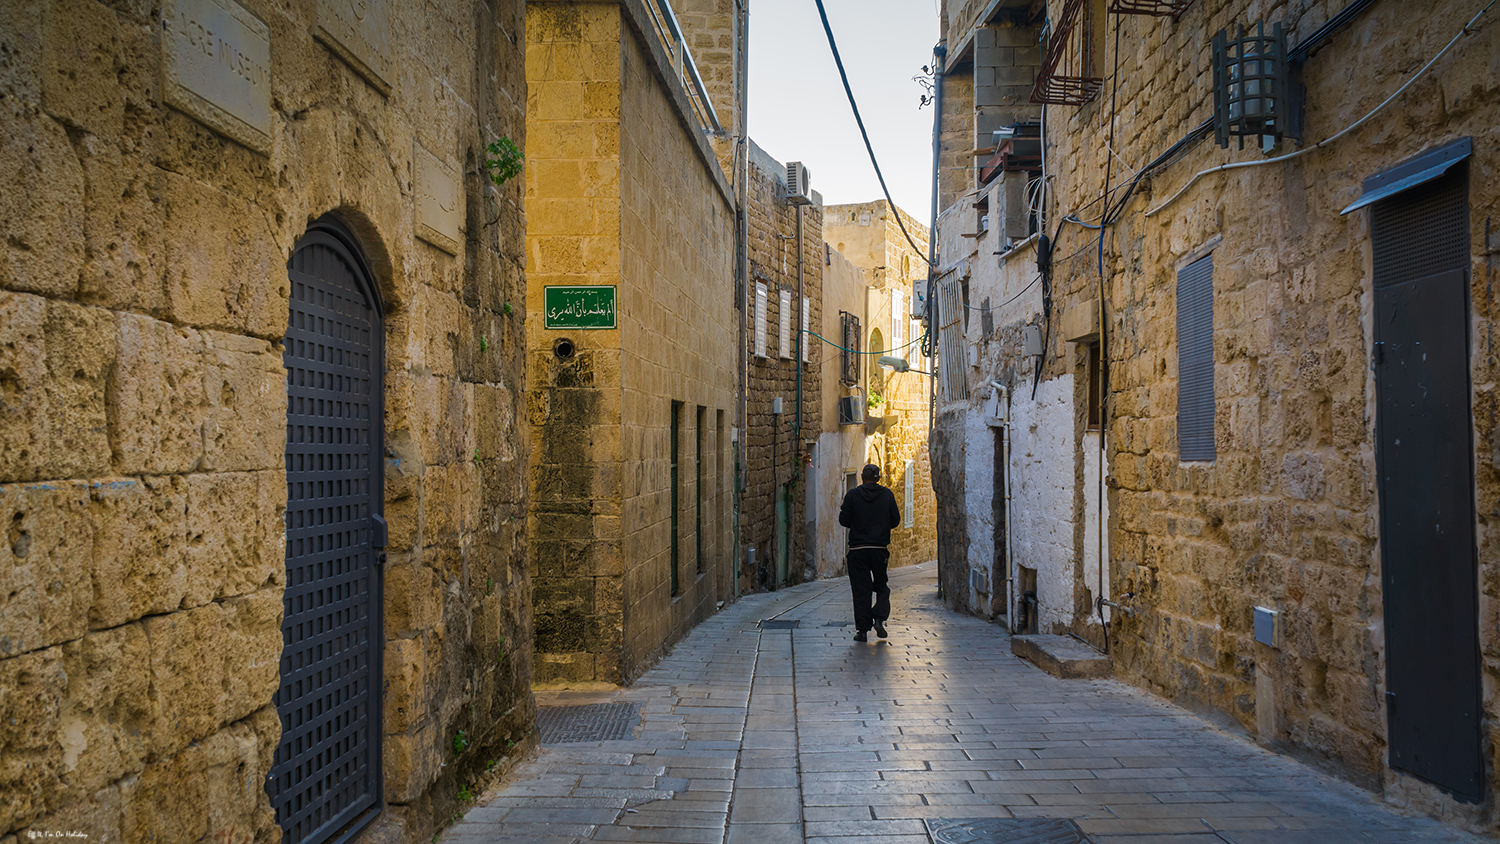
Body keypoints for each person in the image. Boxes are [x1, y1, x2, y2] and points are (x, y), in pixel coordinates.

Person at [838, 463, 901, 642]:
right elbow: (895, 520)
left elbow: (844, 520)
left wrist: (859, 523)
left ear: (862, 478)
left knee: (861, 589)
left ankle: (863, 631)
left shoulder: (852, 495)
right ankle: (879, 617)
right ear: (878, 478)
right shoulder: (887, 495)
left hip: (858, 549)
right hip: (879, 549)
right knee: (881, 585)